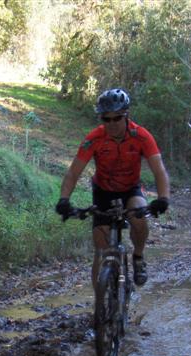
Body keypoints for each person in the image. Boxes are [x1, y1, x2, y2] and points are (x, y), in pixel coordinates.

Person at [55, 88, 170, 287]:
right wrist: (64, 199)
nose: (112, 124)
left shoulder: (141, 136)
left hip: (130, 189)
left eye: (117, 118)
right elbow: (73, 172)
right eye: (106, 119)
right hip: (103, 192)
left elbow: (159, 170)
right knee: (101, 251)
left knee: (139, 218)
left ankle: (138, 257)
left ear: (126, 115)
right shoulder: (94, 138)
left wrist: (163, 198)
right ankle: (99, 303)